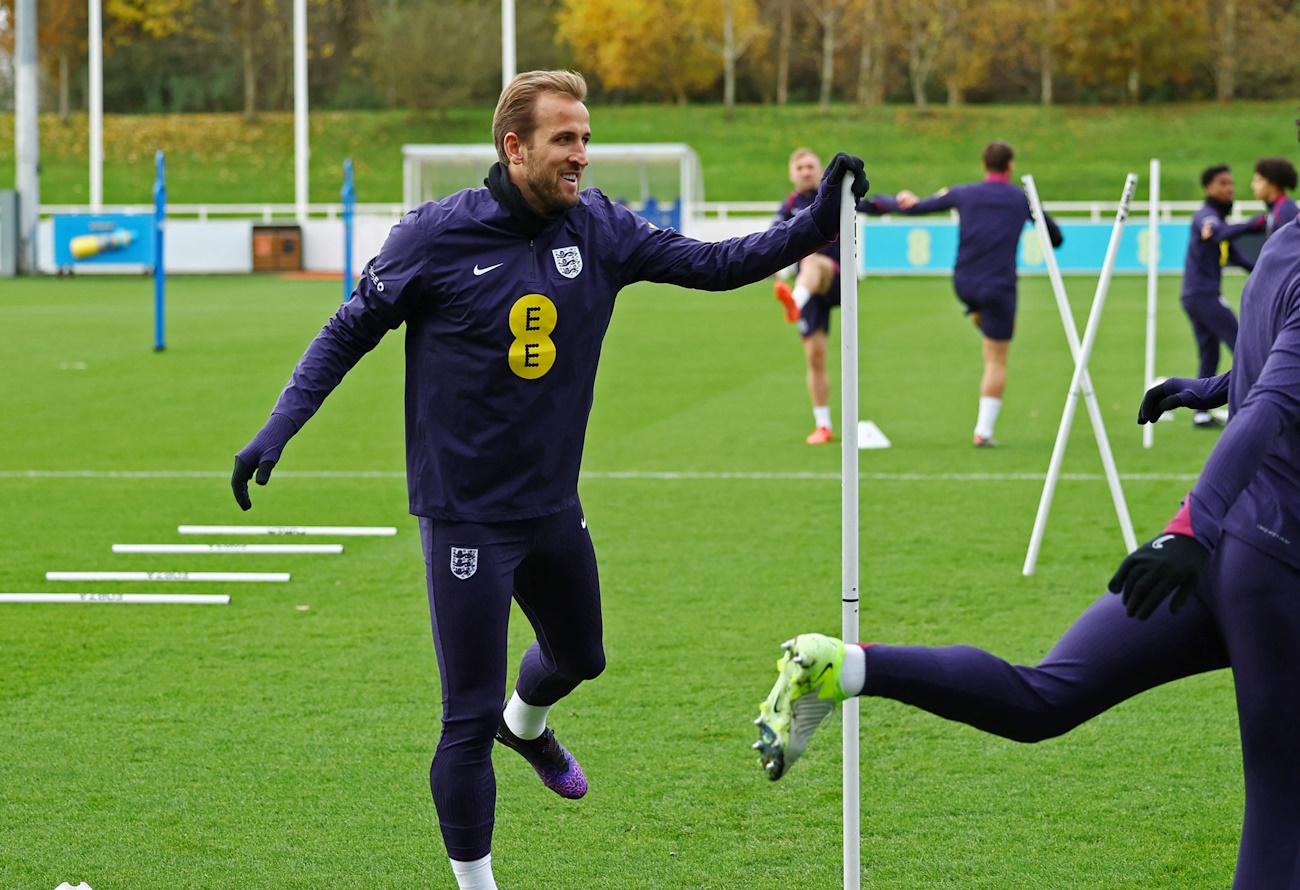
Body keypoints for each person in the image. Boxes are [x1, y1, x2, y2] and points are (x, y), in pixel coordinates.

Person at [230, 70, 867, 890]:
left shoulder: (600, 227)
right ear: (514, 146)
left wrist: (815, 220)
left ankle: (526, 726)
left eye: (586, 139)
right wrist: (280, 425)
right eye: (565, 139)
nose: (582, 156)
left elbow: (716, 263)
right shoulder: (432, 237)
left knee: (582, 657)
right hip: (463, 516)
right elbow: (348, 329)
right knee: (463, 717)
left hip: (551, 504)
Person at [755, 201, 1300, 886]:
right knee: (1284, 801)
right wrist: (1191, 524)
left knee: (1045, 698)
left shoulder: (1284, 242)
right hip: (1271, 563)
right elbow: (1275, 403)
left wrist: (1206, 388)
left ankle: (845, 667)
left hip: (1219, 552)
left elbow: (1272, 365)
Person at [862, 140, 1063, 447]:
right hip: (999, 287)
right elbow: (1056, 237)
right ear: (1010, 165)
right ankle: (983, 432)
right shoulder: (1021, 198)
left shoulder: (963, 192)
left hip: (964, 283)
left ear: (985, 165)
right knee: (996, 360)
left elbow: (914, 208)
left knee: (986, 321)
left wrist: (882, 200)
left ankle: (976, 311)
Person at [772, 147, 851, 444]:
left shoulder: (835, 195)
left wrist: (901, 202)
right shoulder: (789, 205)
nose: (806, 171)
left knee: (811, 260)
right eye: (800, 167)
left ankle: (795, 301)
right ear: (792, 174)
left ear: (820, 170)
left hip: (838, 278)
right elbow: (771, 240)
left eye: (810, 166)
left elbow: (873, 203)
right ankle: (823, 425)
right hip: (810, 289)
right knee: (815, 357)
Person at [1180, 164, 1256, 429]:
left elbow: (1239, 258)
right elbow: (1213, 231)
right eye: (1223, 183)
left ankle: (1200, 413)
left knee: (1209, 353)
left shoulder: (1219, 220)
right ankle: (1252, 406)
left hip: (1196, 295)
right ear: (1208, 188)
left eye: (1232, 184)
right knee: (1243, 344)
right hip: (1203, 295)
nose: (1230, 188)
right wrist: (1255, 223)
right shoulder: (1206, 216)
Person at [1246, 157, 1299, 238]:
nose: (1252, 185)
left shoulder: (1286, 210)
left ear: (1273, 184)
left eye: (1259, 180)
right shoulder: (1276, 209)